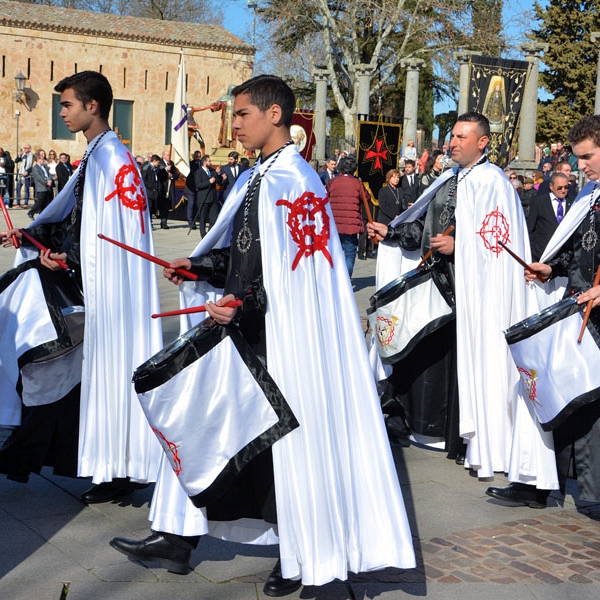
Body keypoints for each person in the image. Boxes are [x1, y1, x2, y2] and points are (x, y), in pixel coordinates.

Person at [110, 74, 415, 596]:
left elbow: (295, 278)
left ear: (276, 115)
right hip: (247, 326)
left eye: (243, 113)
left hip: (277, 337)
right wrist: (201, 267)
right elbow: (249, 252)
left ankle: (294, 551)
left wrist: (243, 303)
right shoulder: (261, 175)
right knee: (200, 422)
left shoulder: (293, 181)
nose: (236, 124)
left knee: (277, 447)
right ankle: (177, 536)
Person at [0, 70, 162, 501]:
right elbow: (72, 219)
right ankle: (86, 461)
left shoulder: (114, 162)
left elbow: (115, 239)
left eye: (68, 105)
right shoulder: (95, 157)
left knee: (85, 369)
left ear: (93, 106)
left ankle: (118, 468)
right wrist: (36, 239)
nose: (62, 113)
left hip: (109, 294)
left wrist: (65, 258)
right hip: (85, 283)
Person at [368, 112, 533, 478]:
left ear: (482, 142)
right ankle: (422, 428)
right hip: (436, 289)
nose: (452, 143)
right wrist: (392, 234)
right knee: (424, 359)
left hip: (472, 293)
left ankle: (462, 440)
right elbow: (423, 229)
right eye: (451, 137)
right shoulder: (448, 179)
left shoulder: (492, 183)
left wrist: (459, 246)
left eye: (461, 137)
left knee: (462, 363)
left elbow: (498, 242)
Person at [487, 115, 600, 508]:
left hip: (596, 319)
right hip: (573, 308)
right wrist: (550, 266)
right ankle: (535, 481)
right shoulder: (590, 195)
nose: (580, 166)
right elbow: (574, 250)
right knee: (540, 383)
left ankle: (587, 493)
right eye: (578, 157)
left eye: (587, 157)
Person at [325, 156, 364, 276]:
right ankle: (346, 278)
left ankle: (334, 279)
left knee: (334, 253)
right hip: (351, 225)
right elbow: (366, 197)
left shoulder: (332, 182)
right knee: (350, 253)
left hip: (334, 224)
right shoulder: (357, 184)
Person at [527, 172, 572, 262]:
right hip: (542, 254)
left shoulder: (573, 202)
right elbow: (530, 228)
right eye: (559, 187)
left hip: (566, 256)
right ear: (551, 187)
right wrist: (532, 252)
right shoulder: (538, 202)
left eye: (566, 187)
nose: (563, 190)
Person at [142, 154, 168, 229]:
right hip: (149, 191)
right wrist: (150, 186)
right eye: (158, 162)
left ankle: (150, 222)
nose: (158, 164)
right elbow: (144, 179)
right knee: (149, 207)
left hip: (154, 191)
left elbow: (160, 173)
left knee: (153, 208)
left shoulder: (155, 168)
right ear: (154, 161)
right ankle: (148, 222)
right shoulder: (146, 167)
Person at [29, 149, 54, 219]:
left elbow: (49, 175)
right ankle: (31, 212)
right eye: (42, 160)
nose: (44, 161)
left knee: (47, 202)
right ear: (38, 160)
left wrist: (50, 180)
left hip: (47, 186)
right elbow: (38, 177)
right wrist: (46, 182)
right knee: (40, 201)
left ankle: (44, 215)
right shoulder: (35, 168)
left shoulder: (45, 167)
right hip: (41, 187)